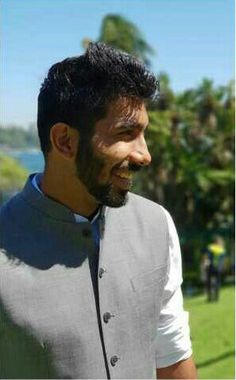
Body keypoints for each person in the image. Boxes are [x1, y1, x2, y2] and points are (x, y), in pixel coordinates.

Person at [0, 43, 197, 379]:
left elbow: (172, 352)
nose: (144, 155)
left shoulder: (157, 224)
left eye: (143, 133)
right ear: (64, 141)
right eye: (126, 133)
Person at [203, 235, 226, 301]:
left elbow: (207, 257)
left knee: (209, 283)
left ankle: (210, 297)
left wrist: (205, 265)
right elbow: (222, 260)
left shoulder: (211, 248)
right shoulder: (222, 249)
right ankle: (216, 297)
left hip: (210, 267)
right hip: (218, 268)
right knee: (217, 283)